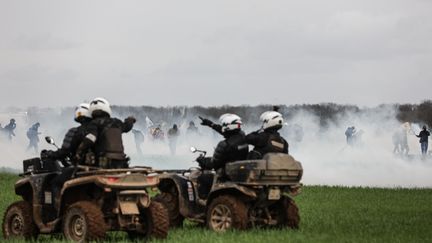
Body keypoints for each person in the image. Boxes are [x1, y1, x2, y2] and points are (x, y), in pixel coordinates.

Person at [42, 103, 93, 207]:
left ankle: (57, 211)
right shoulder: (99, 131)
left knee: (55, 183)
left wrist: (50, 154)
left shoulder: (75, 131)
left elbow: (64, 151)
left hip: (81, 169)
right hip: (98, 169)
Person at [197, 114, 248, 198]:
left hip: (226, 174)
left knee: (203, 178)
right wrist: (211, 124)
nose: (223, 127)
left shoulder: (224, 145)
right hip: (239, 172)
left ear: (228, 127)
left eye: (224, 125)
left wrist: (202, 160)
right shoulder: (242, 137)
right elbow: (227, 132)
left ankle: (205, 201)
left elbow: (214, 163)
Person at [75, 97, 136, 169]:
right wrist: (130, 120)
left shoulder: (94, 123)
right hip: (121, 161)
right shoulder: (117, 122)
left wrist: (79, 151)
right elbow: (127, 127)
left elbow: (91, 138)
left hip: (103, 163)